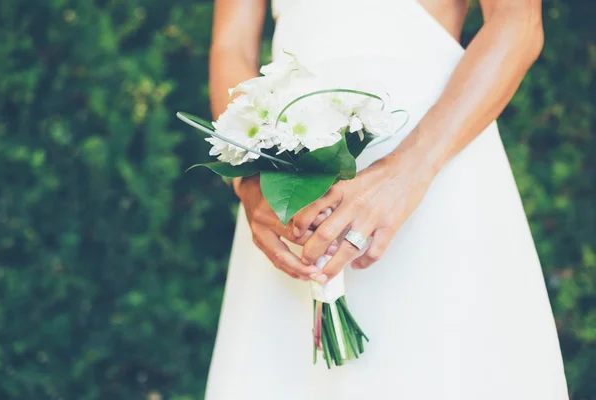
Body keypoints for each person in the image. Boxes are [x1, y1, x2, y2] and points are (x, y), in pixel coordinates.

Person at [205, 0, 569, 398]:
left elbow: (518, 21)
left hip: (435, 157)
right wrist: (253, 182)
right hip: (291, 179)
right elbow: (232, 46)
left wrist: (408, 172)